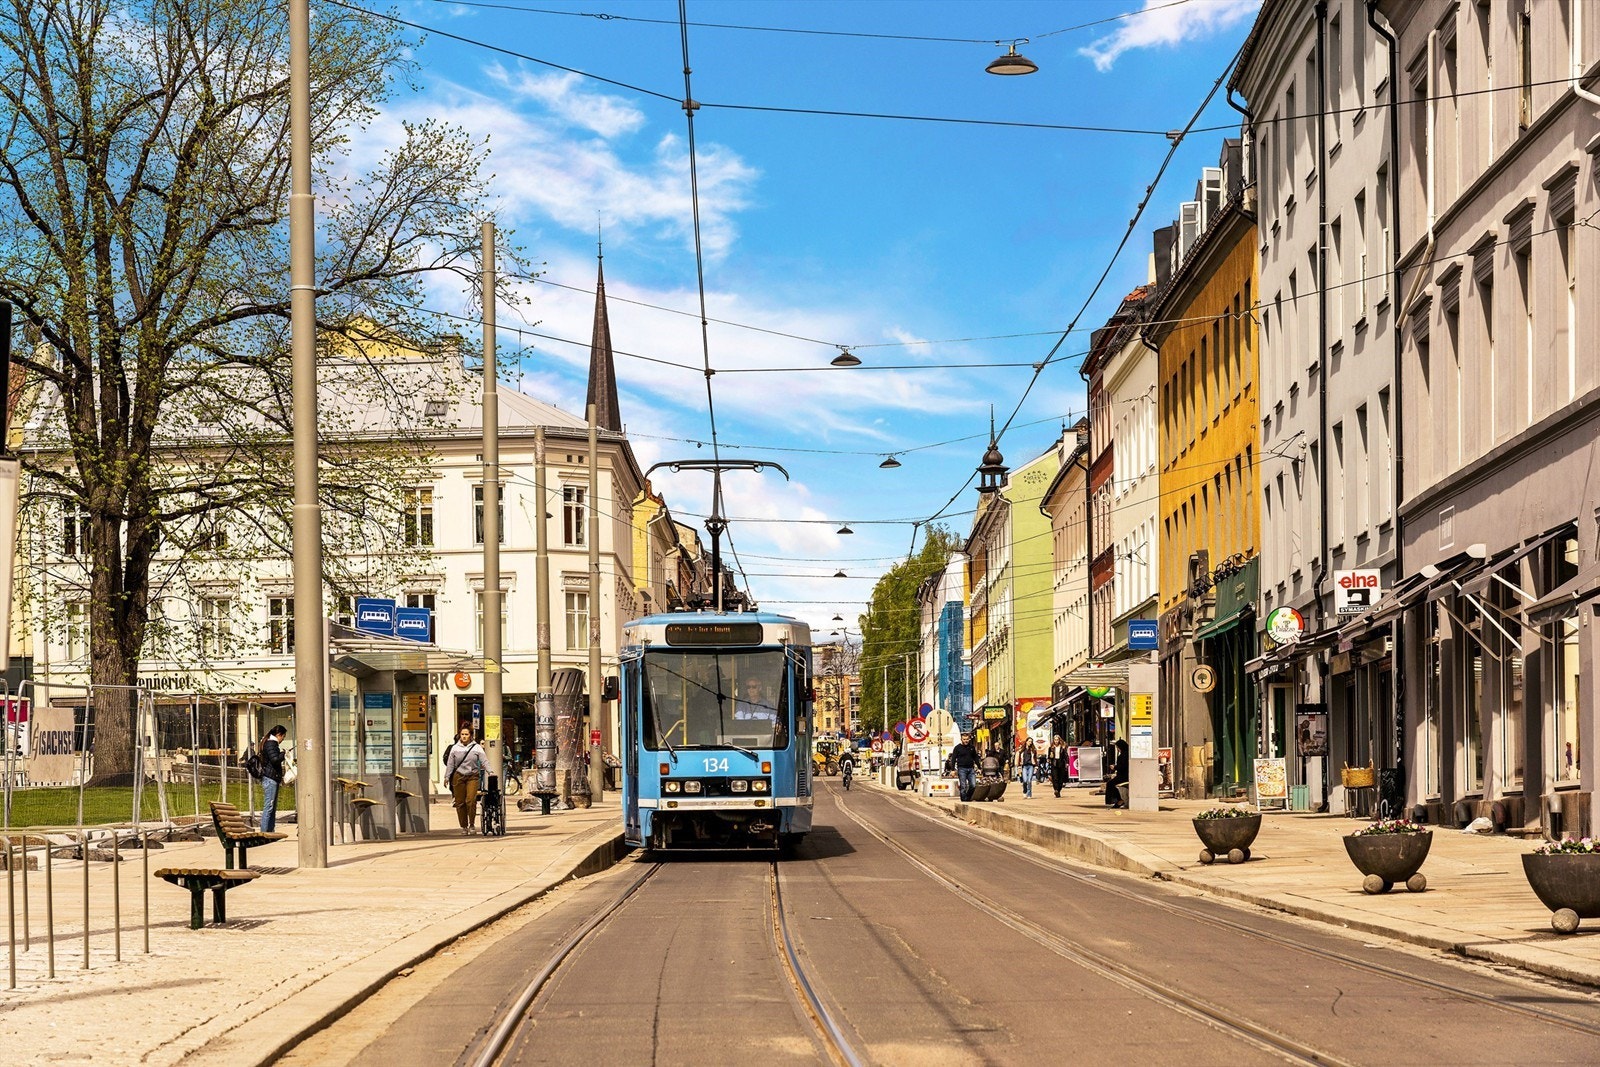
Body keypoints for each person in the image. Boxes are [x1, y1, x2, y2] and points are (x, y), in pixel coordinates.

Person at [443, 726, 487, 835]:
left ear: (470, 735)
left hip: (472, 776)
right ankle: (464, 826)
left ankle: (471, 824)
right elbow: (450, 764)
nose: (464, 736)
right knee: (460, 802)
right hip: (458, 776)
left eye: (466, 734)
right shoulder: (455, 748)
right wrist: (447, 777)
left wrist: (490, 771)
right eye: (462, 734)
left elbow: (484, 760)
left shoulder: (476, 747)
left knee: (471, 801)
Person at [259, 725, 288, 832]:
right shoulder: (271, 743)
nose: (282, 740)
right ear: (279, 735)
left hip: (272, 778)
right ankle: (265, 831)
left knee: (272, 807)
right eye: (283, 737)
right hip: (270, 778)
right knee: (269, 807)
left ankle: (270, 831)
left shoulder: (270, 743)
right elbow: (275, 759)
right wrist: (283, 754)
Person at [949, 732, 979, 802]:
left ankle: (967, 798)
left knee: (973, 785)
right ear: (961, 739)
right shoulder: (957, 748)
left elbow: (975, 757)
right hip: (962, 769)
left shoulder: (972, 747)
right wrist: (952, 770)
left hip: (971, 769)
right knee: (963, 786)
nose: (966, 741)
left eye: (967, 739)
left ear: (969, 739)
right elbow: (953, 759)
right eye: (964, 739)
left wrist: (979, 767)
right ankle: (964, 800)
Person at [1107, 738, 1130, 808]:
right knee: (1111, 783)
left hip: (1123, 776)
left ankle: (1119, 800)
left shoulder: (1124, 755)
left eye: (1118, 748)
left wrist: (1115, 767)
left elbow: (1123, 766)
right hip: (1124, 775)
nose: (1117, 749)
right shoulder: (1127, 754)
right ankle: (1118, 800)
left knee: (1110, 784)